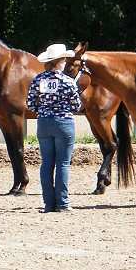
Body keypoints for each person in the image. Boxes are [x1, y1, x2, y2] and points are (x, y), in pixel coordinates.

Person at [27, 43, 82, 213]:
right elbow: (77, 106)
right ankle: (63, 203)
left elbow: (30, 104)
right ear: (60, 62)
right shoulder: (68, 81)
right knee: (63, 164)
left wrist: (43, 110)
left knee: (46, 164)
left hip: (43, 123)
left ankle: (49, 204)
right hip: (63, 123)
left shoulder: (38, 79)